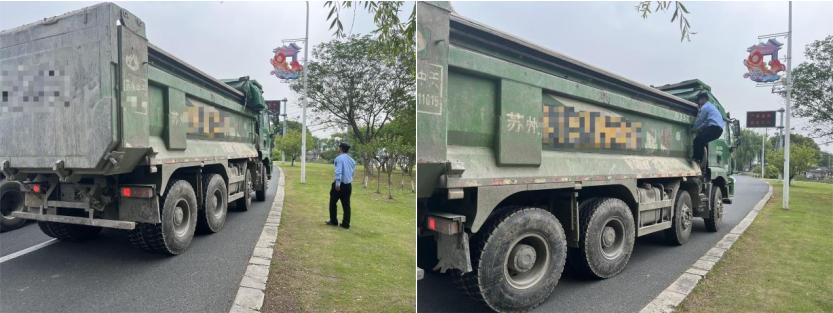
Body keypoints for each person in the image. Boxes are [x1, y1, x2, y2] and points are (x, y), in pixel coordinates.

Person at [326, 142, 356, 229]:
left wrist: (337, 183)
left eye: (339, 147)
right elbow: (353, 173)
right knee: (346, 205)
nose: (338, 149)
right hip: (348, 185)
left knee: (332, 203)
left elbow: (338, 171)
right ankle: (346, 224)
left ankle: (333, 221)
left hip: (339, 185)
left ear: (341, 149)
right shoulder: (352, 160)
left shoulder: (338, 159)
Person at [692, 92, 725, 165]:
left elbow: (700, 120)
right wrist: (699, 129)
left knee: (697, 140)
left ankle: (697, 159)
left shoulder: (705, 107)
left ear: (703, 99)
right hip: (719, 130)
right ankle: (702, 161)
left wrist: (693, 129)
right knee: (703, 142)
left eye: (699, 100)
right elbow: (706, 122)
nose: (698, 102)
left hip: (714, 128)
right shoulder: (712, 107)